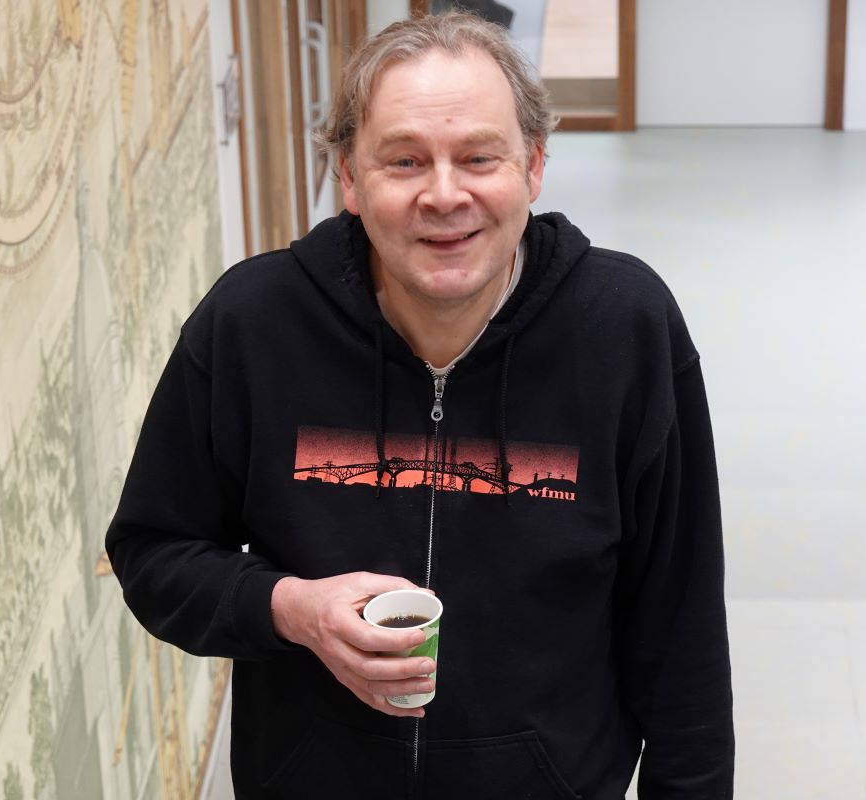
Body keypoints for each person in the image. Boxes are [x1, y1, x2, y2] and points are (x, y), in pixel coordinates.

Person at [106, 11, 734, 799]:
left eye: (479, 157)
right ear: (349, 176)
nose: (444, 195)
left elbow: (681, 634)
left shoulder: (623, 328)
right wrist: (291, 609)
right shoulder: (253, 325)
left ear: (534, 165)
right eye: (404, 161)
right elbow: (153, 552)